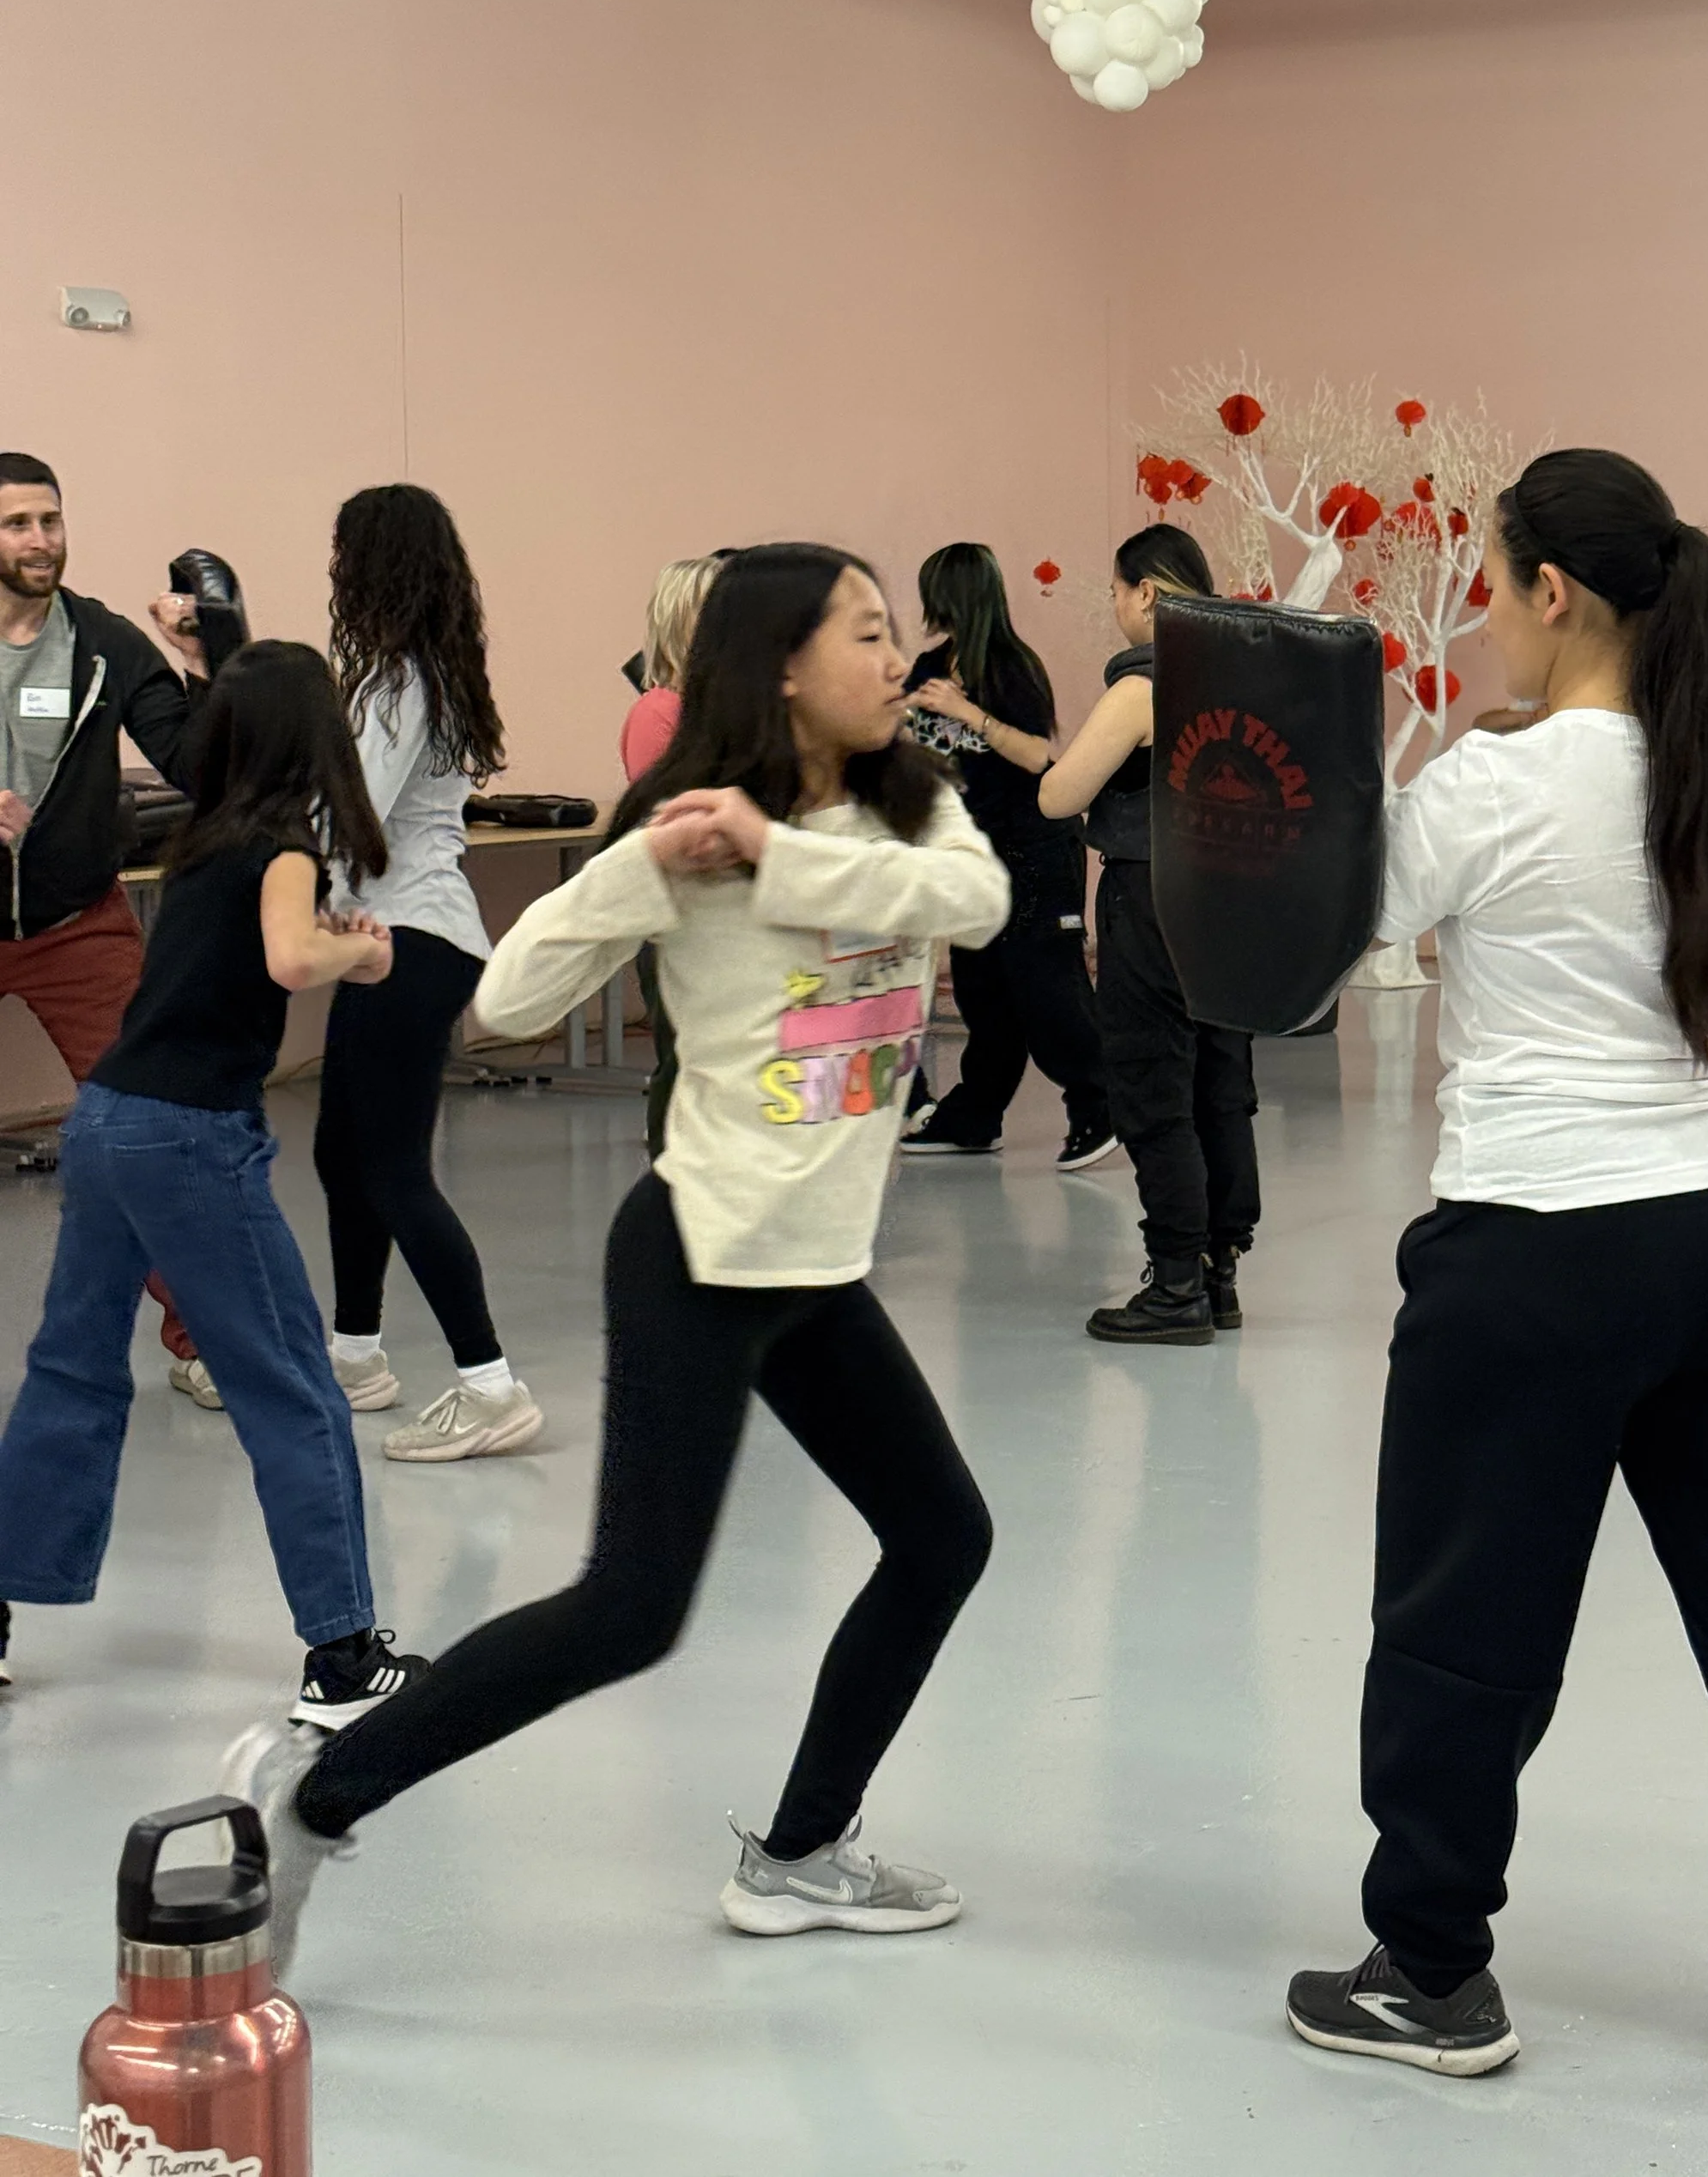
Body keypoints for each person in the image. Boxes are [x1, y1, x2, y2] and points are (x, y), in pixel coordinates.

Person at [222, 543, 1008, 1976]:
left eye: (898, 634)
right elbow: (507, 1002)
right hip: (702, 1253)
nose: (900, 659)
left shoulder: (915, 804)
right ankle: (315, 1796)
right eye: (871, 634)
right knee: (631, 1608)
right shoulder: (687, 834)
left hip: (814, 1267)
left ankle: (799, 1853)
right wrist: (635, 869)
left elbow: (975, 905)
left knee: (943, 1533)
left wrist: (783, 854)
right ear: (781, 665)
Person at [1286, 449, 1708, 2105]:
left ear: (1555, 591)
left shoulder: (1491, 789)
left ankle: (1428, 1970)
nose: (1488, 614)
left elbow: (1309, 941)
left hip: (1540, 1249)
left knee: (1462, 1627)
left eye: (1494, 580)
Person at [0, 642, 431, 1724]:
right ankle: (341, 1659)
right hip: (189, 1138)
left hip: (106, 1119)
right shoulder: (285, 845)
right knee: (289, 1380)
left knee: (70, 1372)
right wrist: (363, 957)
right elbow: (291, 959)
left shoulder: (203, 843)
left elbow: (254, 953)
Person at [311, 485, 542, 1464]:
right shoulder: (422, 673)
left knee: (394, 1169)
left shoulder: (399, 683)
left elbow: (350, 815)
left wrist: (279, 857)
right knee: (338, 1151)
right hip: (400, 938)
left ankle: (490, 1384)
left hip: (405, 941)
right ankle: (356, 1354)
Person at [0, 451, 217, 1404]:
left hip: (73, 921)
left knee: (151, 1130)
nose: (39, 540)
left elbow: (199, 760)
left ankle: (203, 1340)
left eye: (49, 520)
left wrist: (204, 664)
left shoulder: (103, 642)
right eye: (17, 525)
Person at [1039, 527, 1258, 1344]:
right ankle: (1220, 1271)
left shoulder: (1141, 688)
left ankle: (1174, 1285)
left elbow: (1060, 796)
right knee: (1220, 1080)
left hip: (1153, 898)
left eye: (1119, 590)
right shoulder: (1242, 675)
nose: (1116, 605)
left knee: (1150, 1079)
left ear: (1149, 595)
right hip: (1232, 900)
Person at [900, 542, 1114, 1173]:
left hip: (1034, 847)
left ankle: (1100, 1104)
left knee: (1046, 988)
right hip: (972, 854)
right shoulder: (929, 665)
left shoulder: (1011, 667)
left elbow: (1039, 757)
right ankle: (976, 1114)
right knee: (982, 992)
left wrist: (968, 712)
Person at [622, 553, 726, 1155]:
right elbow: (675, 823)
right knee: (686, 1066)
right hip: (682, 919)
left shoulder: (729, 713)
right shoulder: (658, 712)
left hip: (733, 916)